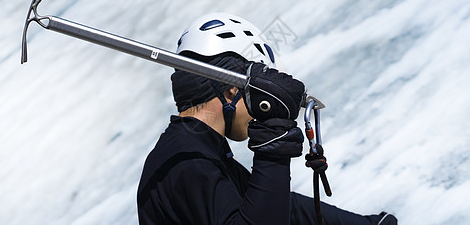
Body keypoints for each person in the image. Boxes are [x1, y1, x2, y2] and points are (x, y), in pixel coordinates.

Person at [137, 13, 397, 224]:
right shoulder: (187, 161)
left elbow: (280, 206)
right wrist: (273, 151)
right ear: (232, 90)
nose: (259, 112)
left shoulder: (196, 147)